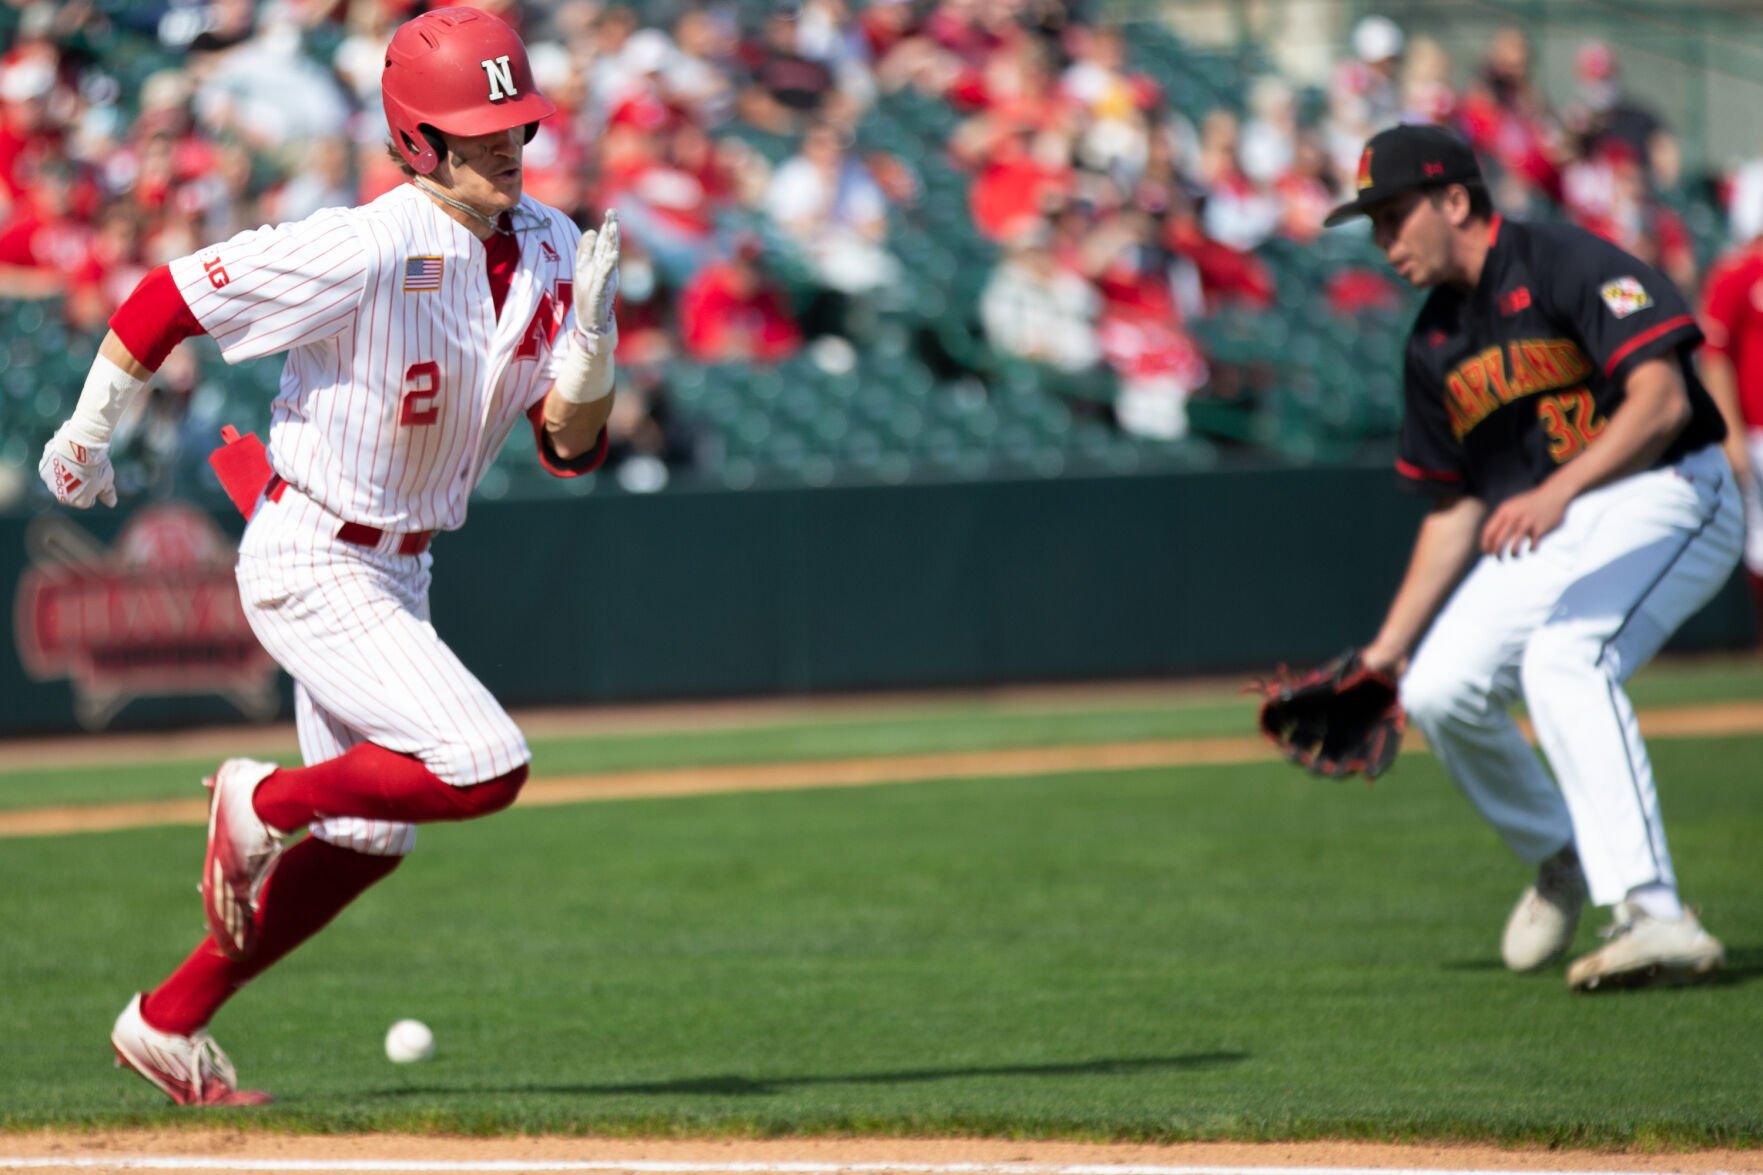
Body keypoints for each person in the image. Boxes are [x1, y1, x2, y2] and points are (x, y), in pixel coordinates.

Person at [36, 7, 622, 1104]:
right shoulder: (365, 242)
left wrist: (588, 359)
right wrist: (87, 427)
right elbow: (167, 295)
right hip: (315, 554)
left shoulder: (549, 246)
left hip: (400, 565)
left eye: (515, 123)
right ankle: (264, 803)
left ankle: (166, 1020)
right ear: (416, 140)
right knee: (484, 763)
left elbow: (566, 454)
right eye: (476, 126)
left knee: (369, 837)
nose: (505, 143)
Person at [1324, 124, 1741, 991]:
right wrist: (1382, 654)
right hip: (1558, 524)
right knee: (1439, 688)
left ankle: (1655, 912)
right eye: (1372, 222)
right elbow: (1453, 512)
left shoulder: (1562, 261)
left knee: (1564, 656)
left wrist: (1560, 490)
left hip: (1669, 490)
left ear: (1454, 199)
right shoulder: (1433, 342)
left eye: (1393, 214)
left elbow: (1661, 402)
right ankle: (1563, 852)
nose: (1382, 240)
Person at [1697, 233, 1763, 638]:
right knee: (1760, 546)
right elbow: (1715, 357)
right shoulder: (1738, 273)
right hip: (1756, 434)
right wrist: (1731, 434)